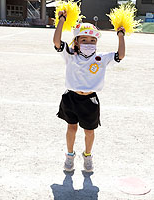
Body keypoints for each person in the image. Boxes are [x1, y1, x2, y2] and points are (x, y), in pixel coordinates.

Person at [53, 10, 125, 172]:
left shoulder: (101, 57)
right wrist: (62, 20)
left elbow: (120, 55)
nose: (88, 42)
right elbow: (57, 42)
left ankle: (88, 155)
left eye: (92, 40)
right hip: (70, 98)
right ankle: (70, 155)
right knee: (71, 128)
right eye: (84, 39)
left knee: (89, 131)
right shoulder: (70, 55)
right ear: (76, 41)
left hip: (90, 100)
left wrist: (120, 36)